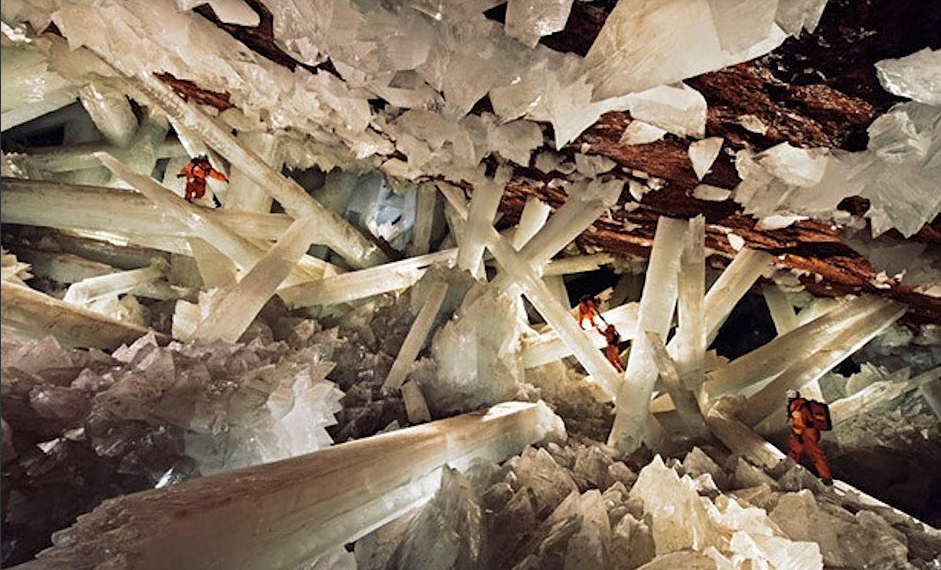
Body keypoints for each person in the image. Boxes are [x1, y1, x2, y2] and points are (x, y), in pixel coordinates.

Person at [786, 389, 832, 485]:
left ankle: (826, 477)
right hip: (812, 431)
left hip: (805, 432)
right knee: (813, 453)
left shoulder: (796, 405)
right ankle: (826, 476)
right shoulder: (804, 403)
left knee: (805, 451)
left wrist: (797, 434)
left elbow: (799, 422)